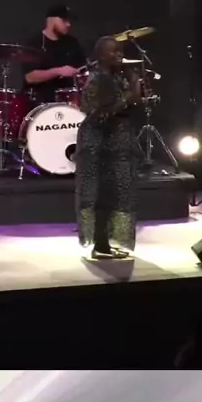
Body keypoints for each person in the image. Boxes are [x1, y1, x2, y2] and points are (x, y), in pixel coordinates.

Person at [75, 36, 142, 260]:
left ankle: (105, 244)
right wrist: (130, 96)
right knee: (102, 194)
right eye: (113, 51)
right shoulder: (99, 78)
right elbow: (100, 114)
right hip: (100, 145)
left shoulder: (114, 76)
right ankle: (100, 246)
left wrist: (133, 87)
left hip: (115, 142)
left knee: (115, 194)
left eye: (120, 50)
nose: (119, 55)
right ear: (101, 55)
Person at [22, 4, 86, 103]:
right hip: (41, 102)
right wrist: (58, 71)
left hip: (69, 102)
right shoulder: (34, 43)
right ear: (50, 20)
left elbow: (83, 70)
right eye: (64, 20)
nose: (68, 24)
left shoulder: (72, 43)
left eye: (69, 21)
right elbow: (29, 77)